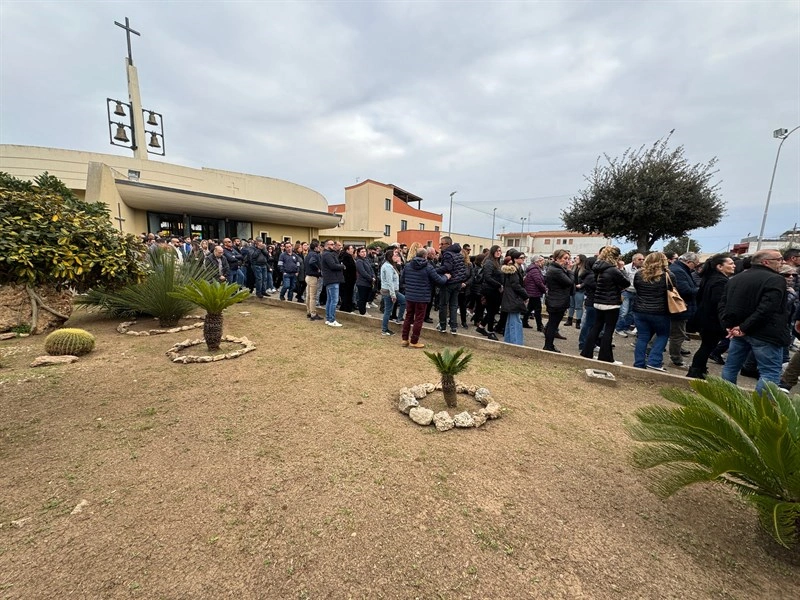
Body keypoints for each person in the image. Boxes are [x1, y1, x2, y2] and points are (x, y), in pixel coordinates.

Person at [719, 250, 789, 394]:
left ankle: (726, 399)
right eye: (779, 259)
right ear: (766, 262)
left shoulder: (737, 278)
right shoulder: (775, 279)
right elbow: (768, 308)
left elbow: (723, 304)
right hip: (764, 333)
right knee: (770, 372)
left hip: (739, 331)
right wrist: (741, 327)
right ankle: (761, 410)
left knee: (731, 367)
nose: (783, 262)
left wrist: (730, 325)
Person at [686, 253, 736, 378]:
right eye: (730, 263)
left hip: (705, 318)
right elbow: (718, 302)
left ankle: (700, 369)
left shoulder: (710, 278)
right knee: (707, 346)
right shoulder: (719, 281)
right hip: (712, 320)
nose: (734, 266)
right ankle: (696, 371)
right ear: (719, 266)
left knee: (707, 346)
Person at [580, 246, 629, 364]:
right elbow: (626, 283)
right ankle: (606, 357)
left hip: (598, 301)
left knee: (596, 327)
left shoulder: (598, 268)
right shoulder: (613, 270)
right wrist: (621, 269)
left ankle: (587, 352)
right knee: (608, 330)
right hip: (611, 302)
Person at [401, 249, 449, 348]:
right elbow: (439, 280)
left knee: (408, 317)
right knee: (418, 319)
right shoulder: (428, 267)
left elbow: (402, 280)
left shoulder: (408, 265)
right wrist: (446, 276)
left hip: (410, 296)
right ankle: (414, 341)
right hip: (422, 297)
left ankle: (404, 339)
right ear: (425, 256)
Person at [631, 252, 671, 371]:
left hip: (640, 309)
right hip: (660, 311)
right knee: (663, 335)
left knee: (642, 337)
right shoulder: (667, 276)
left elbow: (637, 289)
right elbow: (672, 291)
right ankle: (654, 361)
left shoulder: (639, 275)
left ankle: (639, 363)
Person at [668, 252, 700, 367]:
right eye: (695, 264)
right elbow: (684, 290)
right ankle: (676, 358)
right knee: (677, 334)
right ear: (688, 262)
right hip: (678, 308)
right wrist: (700, 290)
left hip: (678, 307)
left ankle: (649, 349)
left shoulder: (679, 269)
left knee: (667, 332)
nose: (695, 267)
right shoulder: (679, 271)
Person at [435, 236, 468, 335]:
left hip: (449, 283)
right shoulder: (458, 254)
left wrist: (435, 270)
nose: (440, 246)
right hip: (458, 283)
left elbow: (447, 267)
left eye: (442, 244)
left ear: (448, 244)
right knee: (453, 306)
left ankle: (443, 325)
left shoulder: (448, 254)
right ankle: (453, 327)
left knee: (443, 305)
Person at [543, 249, 572, 353]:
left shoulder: (557, 269)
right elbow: (569, 282)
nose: (567, 261)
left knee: (553, 324)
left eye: (568, 258)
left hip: (558, 299)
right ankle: (548, 345)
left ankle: (549, 345)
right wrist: (569, 270)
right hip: (556, 300)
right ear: (557, 259)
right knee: (552, 324)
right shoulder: (556, 270)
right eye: (565, 258)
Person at [501, 251, 529, 345]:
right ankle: (516, 343)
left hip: (511, 297)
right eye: (521, 257)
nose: (523, 259)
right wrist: (525, 295)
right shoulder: (513, 271)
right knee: (515, 321)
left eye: (524, 257)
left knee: (511, 321)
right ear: (515, 259)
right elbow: (516, 285)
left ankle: (509, 341)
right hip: (513, 298)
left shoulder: (516, 269)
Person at [476, 245, 504, 341]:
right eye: (496, 251)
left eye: (500, 251)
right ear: (492, 252)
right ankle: (490, 331)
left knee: (494, 310)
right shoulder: (489, 262)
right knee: (491, 311)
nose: (498, 252)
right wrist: (499, 285)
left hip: (495, 290)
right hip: (490, 290)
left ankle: (481, 326)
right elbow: (488, 277)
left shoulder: (497, 263)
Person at [614, 253, 644, 337]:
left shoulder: (643, 269)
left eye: (643, 259)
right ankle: (619, 328)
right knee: (624, 311)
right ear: (634, 260)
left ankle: (626, 328)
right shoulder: (626, 268)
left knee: (631, 312)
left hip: (636, 292)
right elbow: (622, 278)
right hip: (626, 292)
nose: (642, 261)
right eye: (639, 259)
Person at [380, 248, 406, 335]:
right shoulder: (387, 267)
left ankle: (399, 319)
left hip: (393, 290)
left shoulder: (391, 266)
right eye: (395, 255)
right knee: (388, 310)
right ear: (390, 257)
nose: (397, 257)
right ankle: (384, 329)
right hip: (389, 291)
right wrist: (393, 295)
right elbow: (389, 281)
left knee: (404, 301)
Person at [320, 239, 345, 327]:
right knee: (334, 301)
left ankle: (328, 318)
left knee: (330, 300)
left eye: (333, 244)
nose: (333, 245)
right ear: (327, 245)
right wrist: (342, 266)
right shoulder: (327, 254)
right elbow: (333, 265)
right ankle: (332, 319)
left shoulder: (327, 254)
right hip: (332, 279)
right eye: (331, 244)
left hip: (330, 280)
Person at [523, 255, 547, 332]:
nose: (542, 262)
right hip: (534, 292)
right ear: (536, 262)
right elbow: (538, 282)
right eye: (540, 260)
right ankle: (539, 326)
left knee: (530, 308)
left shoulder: (533, 269)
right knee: (537, 309)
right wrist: (545, 289)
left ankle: (524, 322)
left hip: (532, 291)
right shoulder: (535, 270)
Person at [566, 254, 587, 329]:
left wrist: (581, 285)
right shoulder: (574, 267)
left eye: (577, 258)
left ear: (581, 260)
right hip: (572, 289)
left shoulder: (585, 269)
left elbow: (588, 280)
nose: (575, 259)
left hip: (580, 290)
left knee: (579, 306)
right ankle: (569, 320)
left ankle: (578, 321)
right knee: (571, 305)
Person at [303, 240, 322, 320]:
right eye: (318, 247)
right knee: (313, 297)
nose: (319, 248)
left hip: (307, 276)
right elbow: (312, 262)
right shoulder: (314, 254)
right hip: (313, 277)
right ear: (315, 247)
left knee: (308, 296)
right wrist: (318, 269)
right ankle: (313, 313)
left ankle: (308, 312)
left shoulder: (308, 254)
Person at [355, 247, 376, 315]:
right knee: (362, 299)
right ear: (358, 253)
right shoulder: (359, 261)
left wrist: (373, 276)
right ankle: (362, 312)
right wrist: (370, 278)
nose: (364, 253)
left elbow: (371, 269)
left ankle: (364, 311)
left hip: (368, 283)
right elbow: (363, 272)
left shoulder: (366, 260)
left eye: (365, 251)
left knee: (366, 298)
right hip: (362, 283)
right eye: (362, 252)